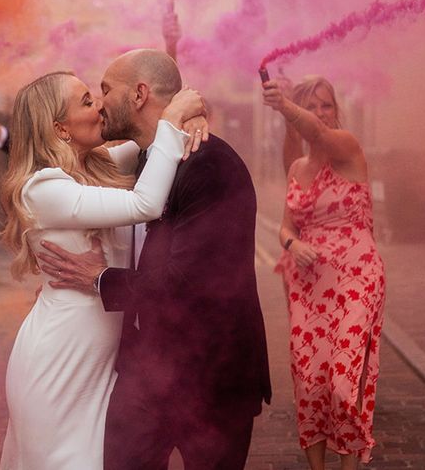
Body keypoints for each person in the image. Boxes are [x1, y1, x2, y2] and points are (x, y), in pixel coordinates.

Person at [37, 49, 271, 470]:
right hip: (146, 376)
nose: (100, 101)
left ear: (140, 94)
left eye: (106, 90)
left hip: (211, 379)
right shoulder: (145, 159)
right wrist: (188, 110)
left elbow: (187, 281)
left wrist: (100, 278)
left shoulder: (211, 165)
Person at [0, 70, 205, 470]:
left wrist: (187, 113)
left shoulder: (94, 166)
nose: (100, 106)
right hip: (58, 363)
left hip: (99, 365)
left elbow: (152, 132)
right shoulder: (42, 188)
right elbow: (146, 202)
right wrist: (176, 118)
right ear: (60, 127)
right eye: (87, 101)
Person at [262, 76, 385, 470]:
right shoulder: (298, 167)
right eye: (311, 105)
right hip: (307, 284)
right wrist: (291, 244)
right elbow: (286, 225)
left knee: (343, 382)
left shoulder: (347, 147)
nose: (319, 113)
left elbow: (313, 131)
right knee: (311, 381)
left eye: (326, 105)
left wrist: (285, 106)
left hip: (356, 276)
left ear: (336, 110)